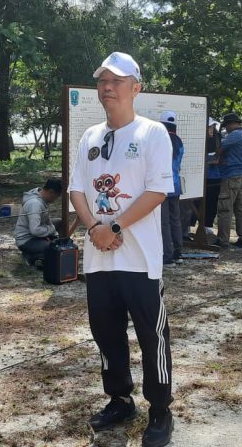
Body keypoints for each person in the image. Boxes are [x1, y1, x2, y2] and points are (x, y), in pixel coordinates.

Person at [68, 52, 174, 447]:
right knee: (106, 333)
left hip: (139, 259)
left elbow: (157, 190)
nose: (107, 87)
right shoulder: (90, 137)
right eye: (102, 81)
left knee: (152, 336)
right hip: (100, 259)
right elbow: (77, 189)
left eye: (116, 81)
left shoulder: (152, 133)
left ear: (136, 88)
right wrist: (94, 228)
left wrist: (113, 226)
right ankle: (120, 399)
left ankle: (160, 408)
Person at [215, 113, 242, 249]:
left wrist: (216, 156)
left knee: (225, 208)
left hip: (232, 175)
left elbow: (220, 149)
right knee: (240, 208)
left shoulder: (234, 135)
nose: (226, 129)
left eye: (226, 126)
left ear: (231, 124)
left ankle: (222, 240)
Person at [14, 178, 62, 267]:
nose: (55, 200)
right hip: (27, 240)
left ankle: (57, 244)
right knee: (55, 249)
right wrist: (51, 229)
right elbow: (35, 230)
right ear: (51, 192)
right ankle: (30, 256)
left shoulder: (42, 199)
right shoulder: (35, 204)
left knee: (59, 222)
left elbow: (47, 220)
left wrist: (53, 232)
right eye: (56, 196)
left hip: (37, 234)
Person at [160, 110, 184, 266]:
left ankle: (167, 256)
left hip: (163, 187)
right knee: (175, 220)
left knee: (164, 222)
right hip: (176, 186)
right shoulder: (179, 140)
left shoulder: (161, 139)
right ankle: (178, 253)